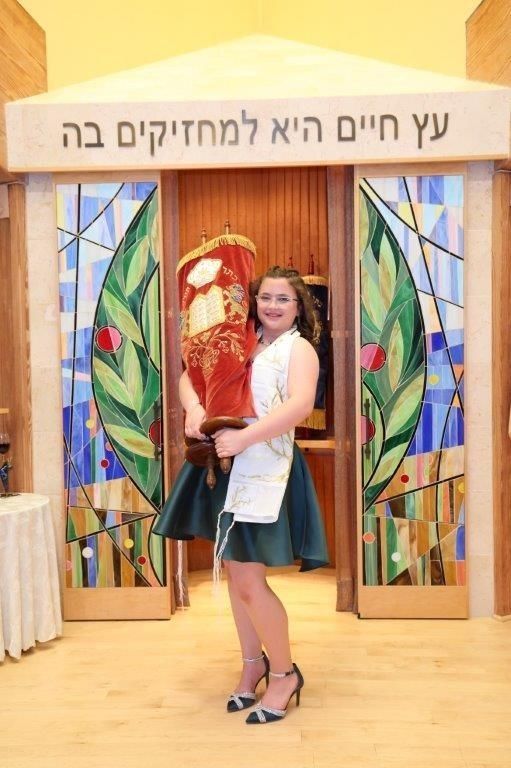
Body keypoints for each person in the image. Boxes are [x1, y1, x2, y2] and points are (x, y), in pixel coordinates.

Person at [154, 265, 329, 725]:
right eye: (266, 297)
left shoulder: (299, 349)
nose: (272, 306)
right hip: (224, 466)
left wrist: (244, 439)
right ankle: (253, 665)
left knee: (249, 581)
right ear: (254, 301)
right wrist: (194, 408)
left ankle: (284, 674)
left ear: (299, 307)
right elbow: (190, 373)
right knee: (235, 575)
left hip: (267, 469)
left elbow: (300, 405)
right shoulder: (238, 338)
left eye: (283, 299)